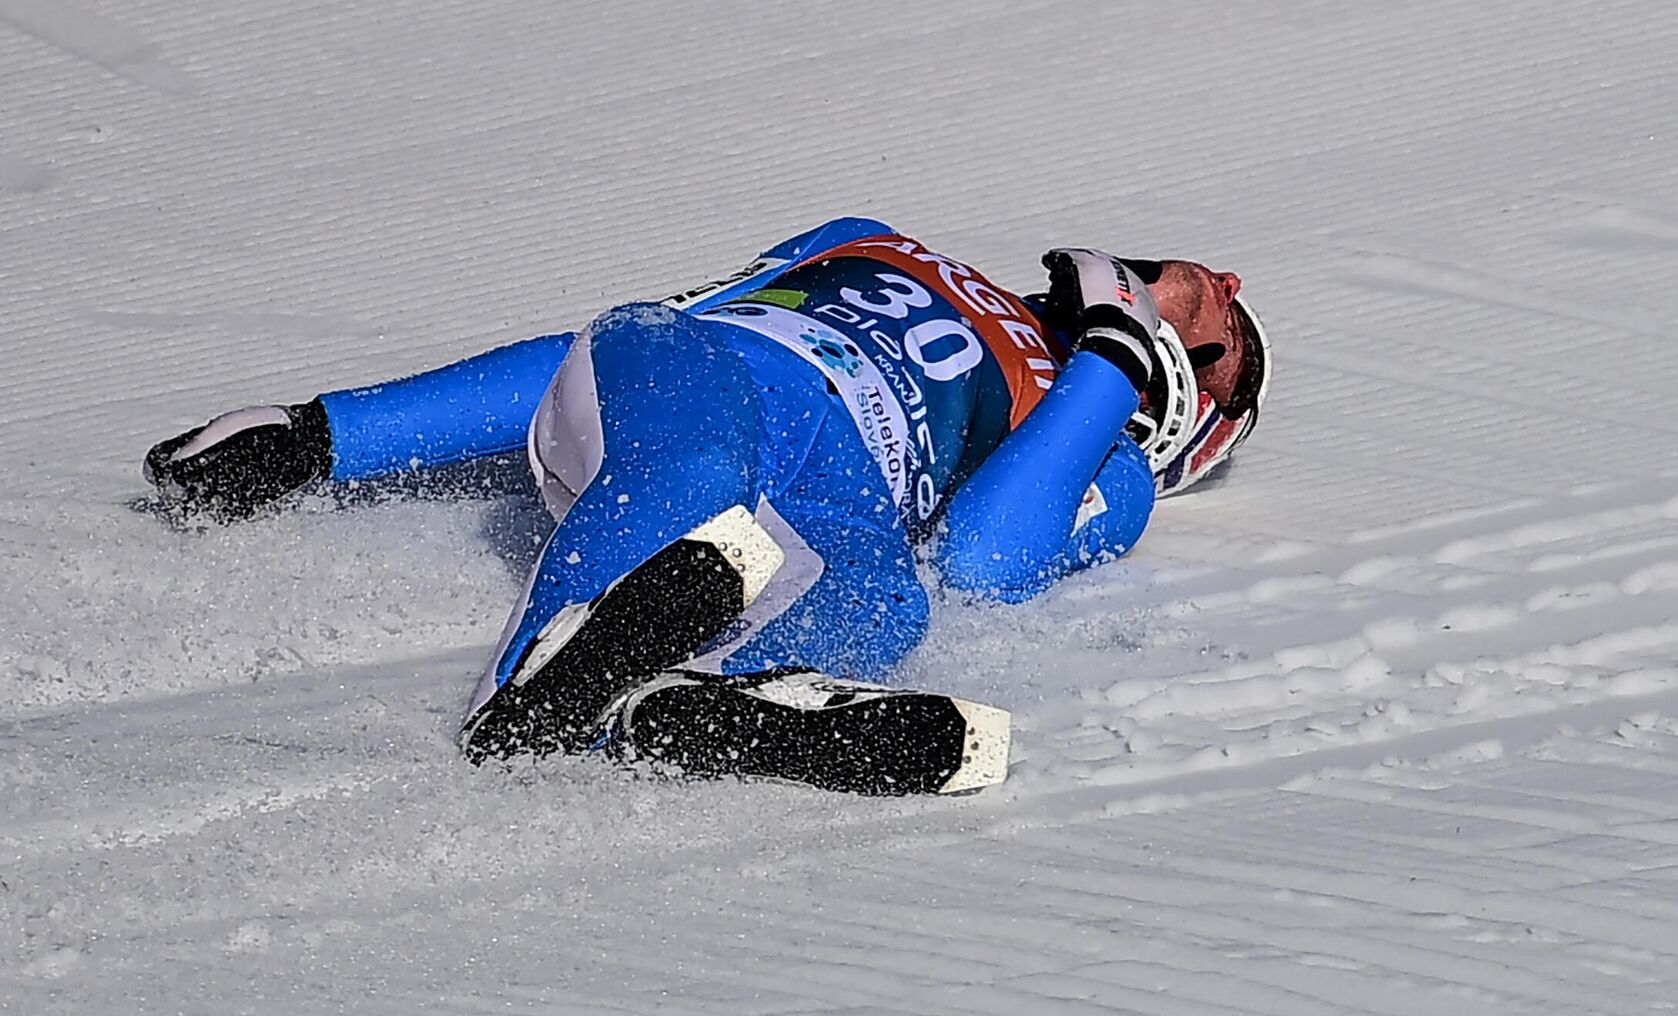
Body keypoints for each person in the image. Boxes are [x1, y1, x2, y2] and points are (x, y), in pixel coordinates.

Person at [142, 218, 1271, 795]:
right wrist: (327, 437)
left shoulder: (1111, 466)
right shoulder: (882, 241)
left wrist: (1115, 356)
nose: (1209, 281)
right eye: (1199, 278)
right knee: (692, 465)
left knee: (889, 607)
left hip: (842, 494)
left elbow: (981, 554)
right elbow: (623, 342)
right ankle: (540, 699)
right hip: (709, 378)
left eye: (1222, 327)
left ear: (1196, 415)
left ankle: (682, 704)